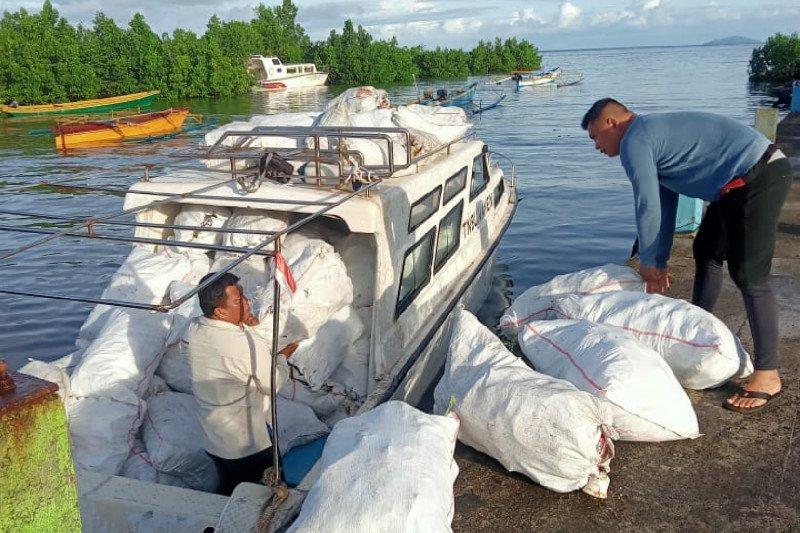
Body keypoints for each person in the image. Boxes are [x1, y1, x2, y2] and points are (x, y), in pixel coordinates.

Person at [581, 98, 793, 413]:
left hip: (759, 177)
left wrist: (649, 263)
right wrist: (658, 260)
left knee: (750, 275)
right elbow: (665, 208)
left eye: (594, 136)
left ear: (611, 122)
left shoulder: (635, 140)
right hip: (734, 186)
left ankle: (767, 374)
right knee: (706, 251)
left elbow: (646, 206)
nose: (595, 145)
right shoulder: (652, 139)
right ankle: (694, 330)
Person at [183, 271, 297, 495]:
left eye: (244, 296)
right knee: (269, 495)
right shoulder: (243, 342)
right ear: (220, 312)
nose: (247, 303)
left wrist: (243, 323)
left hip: (214, 440)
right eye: (238, 301)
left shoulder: (192, 330)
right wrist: (282, 358)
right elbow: (271, 385)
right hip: (249, 445)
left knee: (231, 486)